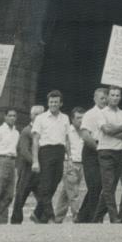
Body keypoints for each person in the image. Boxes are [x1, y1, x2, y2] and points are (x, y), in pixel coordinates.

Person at [95, 86, 122, 223]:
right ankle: (114, 217)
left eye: (117, 95)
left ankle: (95, 218)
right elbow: (106, 130)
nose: (115, 98)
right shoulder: (101, 113)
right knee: (108, 185)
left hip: (120, 151)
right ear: (108, 97)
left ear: (120, 97)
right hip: (106, 151)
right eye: (112, 95)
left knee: (111, 186)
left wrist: (115, 131)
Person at [32, 93, 69, 224]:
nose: (53, 104)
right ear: (48, 103)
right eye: (51, 102)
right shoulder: (40, 118)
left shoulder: (65, 118)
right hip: (45, 151)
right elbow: (35, 140)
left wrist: (68, 157)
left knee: (55, 182)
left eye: (56, 102)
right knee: (46, 184)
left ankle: (37, 213)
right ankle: (50, 216)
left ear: (61, 103)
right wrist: (35, 160)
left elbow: (66, 139)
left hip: (59, 152)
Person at [76, 87, 109, 223]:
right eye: (102, 98)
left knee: (101, 185)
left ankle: (83, 217)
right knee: (94, 185)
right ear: (95, 99)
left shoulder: (109, 113)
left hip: (106, 149)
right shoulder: (90, 114)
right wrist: (98, 149)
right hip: (92, 150)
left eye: (106, 98)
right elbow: (85, 135)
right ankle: (94, 218)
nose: (104, 101)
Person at [10, 103, 44, 225]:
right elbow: (24, 151)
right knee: (21, 196)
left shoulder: (44, 131)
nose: (37, 116)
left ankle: (39, 217)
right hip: (27, 169)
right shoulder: (26, 131)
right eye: (35, 114)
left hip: (40, 170)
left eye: (40, 114)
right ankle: (15, 221)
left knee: (44, 196)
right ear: (31, 116)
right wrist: (35, 162)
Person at [52, 108, 85, 223]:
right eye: (78, 118)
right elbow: (63, 147)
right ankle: (77, 217)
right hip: (70, 163)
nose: (81, 120)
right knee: (74, 192)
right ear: (72, 119)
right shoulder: (67, 131)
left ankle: (58, 218)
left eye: (83, 118)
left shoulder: (85, 131)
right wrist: (68, 161)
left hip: (82, 164)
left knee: (66, 193)